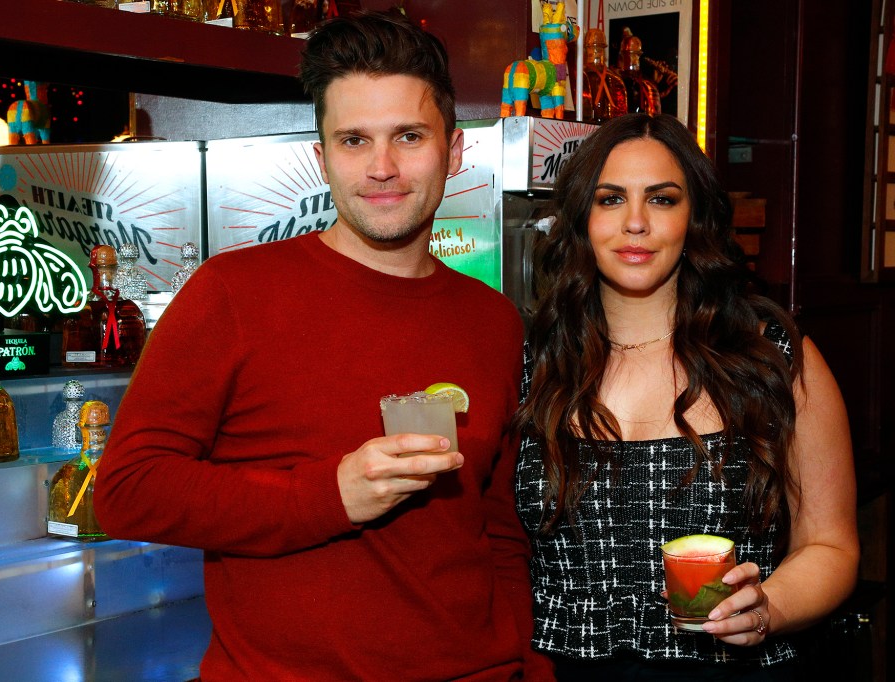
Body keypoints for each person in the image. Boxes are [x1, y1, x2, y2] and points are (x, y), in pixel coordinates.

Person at [94, 11, 550, 681]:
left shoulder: (494, 321)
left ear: (454, 152)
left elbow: (499, 526)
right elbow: (130, 491)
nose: (383, 167)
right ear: (322, 159)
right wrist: (331, 495)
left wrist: (526, 663)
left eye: (410, 136)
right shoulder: (233, 293)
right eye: (354, 140)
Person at [515, 113, 859, 679]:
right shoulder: (532, 360)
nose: (635, 223)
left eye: (662, 199)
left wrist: (769, 608)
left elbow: (831, 546)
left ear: (695, 216)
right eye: (609, 199)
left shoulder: (772, 353)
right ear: (580, 218)